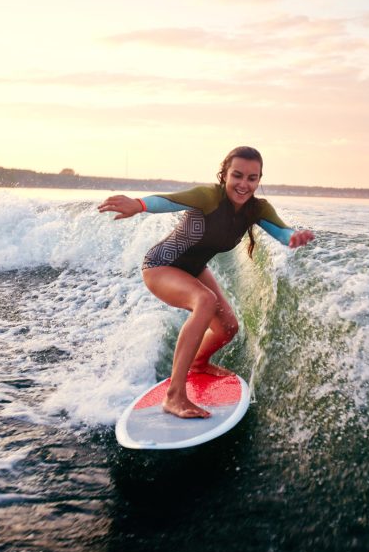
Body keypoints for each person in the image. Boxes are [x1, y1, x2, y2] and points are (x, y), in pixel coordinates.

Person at [98, 146, 314, 418]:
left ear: (259, 180)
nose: (244, 184)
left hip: (195, 269)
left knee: (227, 327)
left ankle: (198, 363)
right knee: (205, 300)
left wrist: (294, 238)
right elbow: (167, 201)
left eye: (252, 178)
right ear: (224, 174)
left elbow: (282, 232)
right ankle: (174, 396)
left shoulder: (257, 209)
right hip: (161, 265)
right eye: (237, 175)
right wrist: (138, 205)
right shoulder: (208, 196)